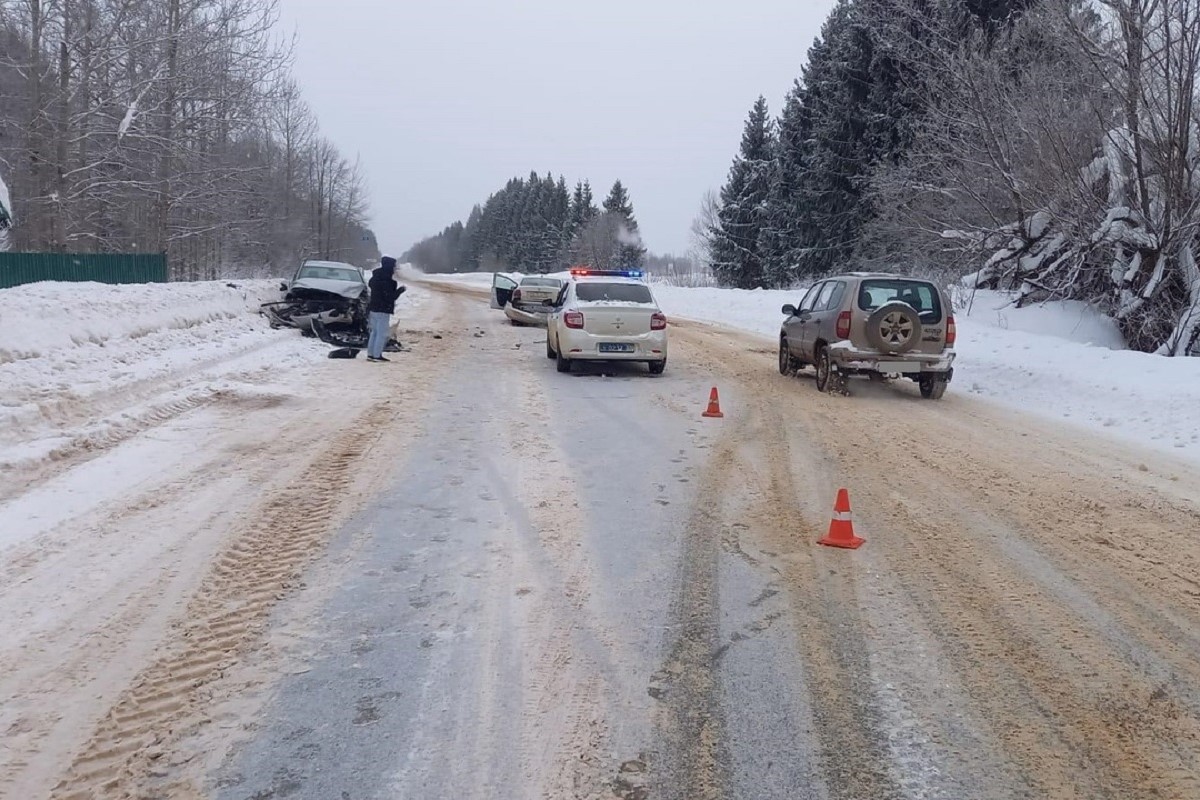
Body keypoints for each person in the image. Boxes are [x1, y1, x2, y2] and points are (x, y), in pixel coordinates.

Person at [366, 256, 406, 362]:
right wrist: (400, 291)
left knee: (374, 332)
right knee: (381, 333)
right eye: (393, 267)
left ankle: (370, 353)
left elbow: (372, 287)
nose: (394, 269)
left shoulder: (375, 277)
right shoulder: (388, 281)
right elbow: (390, 297)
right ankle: (377, 355)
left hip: (373, 308)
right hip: (383, 309)